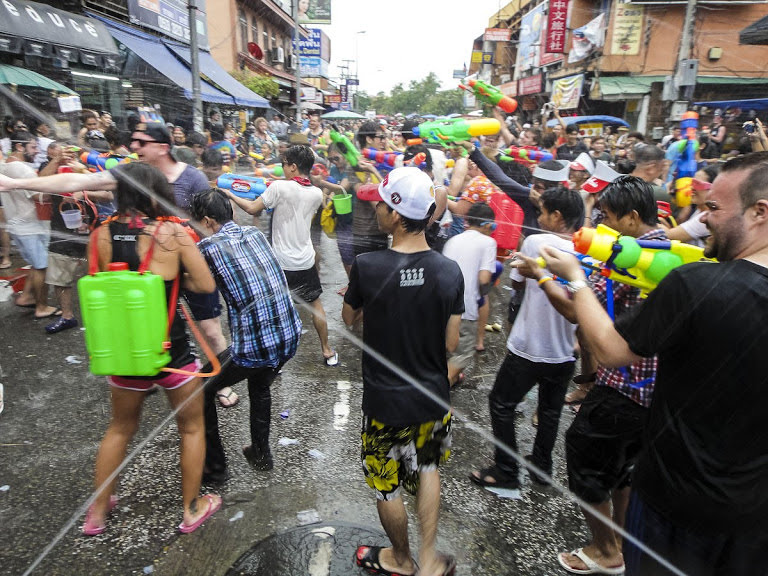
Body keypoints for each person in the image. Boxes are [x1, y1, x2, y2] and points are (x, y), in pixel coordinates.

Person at [540, 152, 768, 576]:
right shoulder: (697, 274)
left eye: (713, 209)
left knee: (591, 467)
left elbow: (609, 347)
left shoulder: (695, 281)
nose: (702, 220)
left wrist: (570, 275)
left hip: (676, 504)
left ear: (760, 212)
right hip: (751, 520)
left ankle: (608, 549)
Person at [81, 162, 219, 535]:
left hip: (124, 351)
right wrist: (175, 279)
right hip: (170, 349)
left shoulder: (100, 234)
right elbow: (206, 286)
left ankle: (96, 513)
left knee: (120, 428)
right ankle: (191, 509)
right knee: (191, 429)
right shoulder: (172, 233)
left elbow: (104, 283)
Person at [343, 167, 463, 576]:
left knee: (386, 483)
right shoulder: (450, 271)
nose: (376, 207)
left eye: (381, 201)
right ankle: (429, 558)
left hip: (383, 402)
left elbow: (349, 320)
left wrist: (365, 300)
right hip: (432, 396)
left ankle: (401, 558)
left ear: (394, 214)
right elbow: (451, 343)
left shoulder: (367, 265)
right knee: (428, 469)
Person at [470, 185, 583, 490]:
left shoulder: (535, 242)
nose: (539, 217)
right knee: (549, 410)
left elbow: (517, 285)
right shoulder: (586, 249)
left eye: (543, 212)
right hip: (564, 351)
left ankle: (506, 470)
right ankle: (542, 467)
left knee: (501, 403)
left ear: (557, 216)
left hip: (530, 348)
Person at [190, 189, 302, 482]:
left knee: (200, 389)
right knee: (260, 382)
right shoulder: (255, 235)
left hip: (257, 345)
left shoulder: (207, 248)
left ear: (206, 220)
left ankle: (215, 469)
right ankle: (261, 454)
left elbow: (196, 289)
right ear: (232, 213)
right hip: (288, 335)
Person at [227, 144, 338, 366]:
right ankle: (326, 349)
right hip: (305, 259)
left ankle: (273, 357)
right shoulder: (316, 194)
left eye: (284, 164)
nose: (282, 168)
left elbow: (252, 208)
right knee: (315, 304)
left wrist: (229, 193)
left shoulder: (279, 188)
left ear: (293, 167)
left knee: (274, 309)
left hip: (280, 261)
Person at [1, 132, 58, 319]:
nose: (36, 152)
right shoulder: (20, 168)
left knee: (36, 264)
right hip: (29, 226)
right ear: (20, 147)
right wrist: (56, 163)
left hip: (21, 224)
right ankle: (41, 307)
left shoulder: (7, 165)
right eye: (33, 147)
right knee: (41, 266)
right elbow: (38, 192)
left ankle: (26, 297)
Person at [442, 202, 497, 384]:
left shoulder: (453, 240)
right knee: (462, 354)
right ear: (487, 225)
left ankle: (450, 377)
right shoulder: (488, 242)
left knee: (444, 348)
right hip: (464, 308)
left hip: (441, 306)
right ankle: (435, 397)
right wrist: (483, 294)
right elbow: (484, 279)